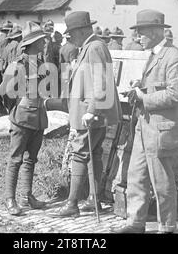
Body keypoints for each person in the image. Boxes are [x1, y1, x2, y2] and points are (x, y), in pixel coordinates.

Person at [113, 9, 178, 234]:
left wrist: (144, 97)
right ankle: (135, 223)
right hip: (144, 125)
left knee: (161, 180)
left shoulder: (174, 57)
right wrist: (140, 85)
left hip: (160, 128)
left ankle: (167, 226)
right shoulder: (155, 54)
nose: (137, 37)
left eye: (142, 32)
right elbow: (159, 85)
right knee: (136, 175)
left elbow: (176, 95)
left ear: (156, 32)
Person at [48, 11, 122, 217]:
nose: (70, 38)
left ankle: (72, 204)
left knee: (79, 154)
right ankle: (94, 198)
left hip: (91, 114)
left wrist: (91, 111)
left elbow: (101, 83)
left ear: (82, 30)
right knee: (94, 154)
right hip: (90, 113)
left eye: (71, 33)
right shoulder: (89, 47)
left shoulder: (95, 47)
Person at [0, 21, 48, 215]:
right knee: (15, 159)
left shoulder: (42, 64)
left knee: (31, 159)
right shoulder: (17, 65)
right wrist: (15, 111)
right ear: (32, 43)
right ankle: (9, 199)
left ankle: (26, 196)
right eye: (41, 41)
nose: (44, 43)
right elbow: (5, 92)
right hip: (22, 117)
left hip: (38, 118)